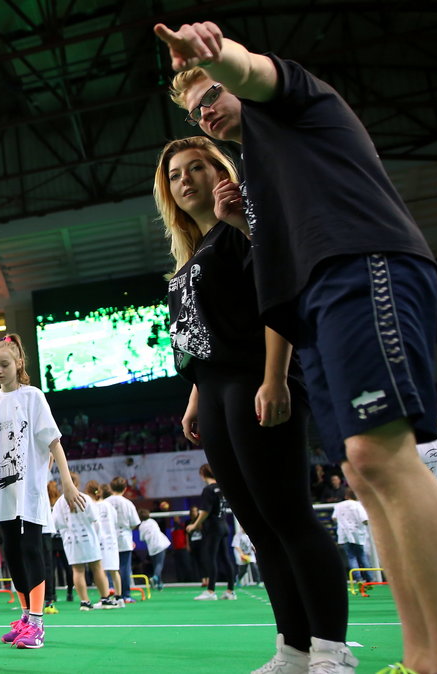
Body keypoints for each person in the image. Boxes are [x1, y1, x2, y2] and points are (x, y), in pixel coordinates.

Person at [156, 21, 437, 673]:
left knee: (383, 458)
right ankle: (420, 656)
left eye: (211, 97)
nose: (207, 113)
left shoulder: (292, 101)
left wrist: (216, 56)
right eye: (196, 109)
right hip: (319, 298)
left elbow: (252, 72)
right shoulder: (258, 174)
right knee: (365, 468)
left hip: (361, 263)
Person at [155, 132, 354, 670]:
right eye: (175, 174)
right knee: (260, 529)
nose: (186, 179)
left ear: (222, 170)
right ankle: (292, 649)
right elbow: (204, 333)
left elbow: (277, 301)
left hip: (258, 379)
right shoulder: (193, 252)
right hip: (216, 389)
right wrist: (197, 395)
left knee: (290, 518)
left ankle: (331, 650)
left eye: (198, 166)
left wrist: (276, 377)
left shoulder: (246, 229)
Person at [0, 334, 87, 650]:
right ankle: (25, 617)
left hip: (30, 494)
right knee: (11, 554)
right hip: (2, 494)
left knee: (30, 551)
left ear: (19, 363)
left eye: (4, 364)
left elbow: (53, 442)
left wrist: (66, 481)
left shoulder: (32, 397)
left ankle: (37, 623)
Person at [50, 473, 114, 612]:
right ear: (77, 483)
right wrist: (97, 537)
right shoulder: (85, 498)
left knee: (77, 570)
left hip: (71, 541)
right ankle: (105, 599)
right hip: (89, 538)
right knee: (97, 567)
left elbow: (54, 524)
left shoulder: (59, 503)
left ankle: (85, 602)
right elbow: (95, 520)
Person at [186, 465, 236, 601]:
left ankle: (210, 591)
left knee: (211, 558)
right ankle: (230, 591)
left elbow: (205, 511)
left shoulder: (208, 490)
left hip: (214, 528)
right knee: (225, 558)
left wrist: (194, 525)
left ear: (202, 474)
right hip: (224, 525)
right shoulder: (221, 487)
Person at [105, 477, 141, 603]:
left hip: (108, 538)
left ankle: (110, 593)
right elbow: (135, 522)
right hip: (124, 537)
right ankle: (125, 595)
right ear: (125, 489)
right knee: (125, 567)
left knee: (110, 567)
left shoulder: (105, 502)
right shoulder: (127, 503)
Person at [86, 481, 122, 604]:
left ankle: (105, 598)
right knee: (114, 570)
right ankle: (119, 597)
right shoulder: (108, 505)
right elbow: (116, 520)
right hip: (111, 540)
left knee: (100, 570)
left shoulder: (91, 506)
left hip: (98, 541)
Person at [332, 489, 371, 585]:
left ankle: (358, 579)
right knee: (362, 555)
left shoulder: (338, 505)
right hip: (357, 534)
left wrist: (343, 522)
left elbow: (334, 518)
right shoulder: (358, 505)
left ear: (346, 496)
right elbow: (365, 520)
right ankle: (370, 578)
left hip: (344, 534)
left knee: (351, 556)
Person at [136, 509, 170, 590]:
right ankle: (155, 577)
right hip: (161, 545)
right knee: (159, 564)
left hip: (152, 547)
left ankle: (159, 584)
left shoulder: (141, 526)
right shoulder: (152, 521)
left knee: (156, 565)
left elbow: (142, 538)